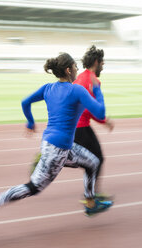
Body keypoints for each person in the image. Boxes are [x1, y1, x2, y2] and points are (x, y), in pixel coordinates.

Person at [0, 52, 113, 235]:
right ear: (68, 70)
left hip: (57, 145)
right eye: (76, 68)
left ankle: (90, 203)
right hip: (57, 150)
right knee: (33, 188)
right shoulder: (77, 90)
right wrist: (97, 90)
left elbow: (25, 102)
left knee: (93, 162)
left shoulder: (48, 88)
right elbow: (101, 113)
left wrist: (30, 122)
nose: (78, 71)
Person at [30, 45, 114, 201]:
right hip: (80, 126)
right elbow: (89, 109)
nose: (103, 65)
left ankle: (46, 159)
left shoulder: (81, 77)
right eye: (102, 63)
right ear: (96, 62)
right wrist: (104, 120)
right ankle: (91, 197)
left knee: (82, 158)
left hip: (73, 126)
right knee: (96, 159)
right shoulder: (93, 80)